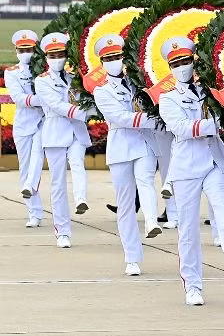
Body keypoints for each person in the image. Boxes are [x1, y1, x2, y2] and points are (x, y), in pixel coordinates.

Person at [158, 36, 224, 307]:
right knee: (188, 230)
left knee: (221, 201)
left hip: (212, 159)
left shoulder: (210, 91)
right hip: (186, 167)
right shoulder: (168, 98)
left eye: (186, 61)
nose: (182, 66)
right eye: (177, 63)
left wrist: (221, 120)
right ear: (170, 68)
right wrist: (211, 125)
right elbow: (181, 128)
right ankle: (192, 285)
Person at [92, 35, 163, 274]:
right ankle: (132, 257)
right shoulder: (102, 91)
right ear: (102, 62)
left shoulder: (138, 82)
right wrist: (152, 120)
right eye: (109, 58)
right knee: (124, 204)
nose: (114, 61)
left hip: (143, 142)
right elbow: (118, 118)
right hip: (121, 146)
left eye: (117, 57)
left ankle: (152, 222)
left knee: (145, 180)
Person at [35, 32, 94, 248]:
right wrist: (82, 113)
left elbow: (86, 99)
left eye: (61, 54)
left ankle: (80, 199)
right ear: (46, 58)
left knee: (78, 163)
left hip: (76, 132)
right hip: (55, 133)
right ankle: (63, 231)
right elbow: (55, 105)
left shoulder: (73, 78)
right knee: (57, 183)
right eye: (53, 55)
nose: (57, 58)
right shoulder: (41, 82)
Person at [4, 29, 45, 228]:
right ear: (16, 51)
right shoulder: (12, 73)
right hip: (23, 123)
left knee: (37, 154)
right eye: (22, 50)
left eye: (29, 49)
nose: (25, 53)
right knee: (25, 167)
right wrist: (44, 100)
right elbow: (19, 99)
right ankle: (34, 212)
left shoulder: (44, 70)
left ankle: (30, 185)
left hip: (43, 121)